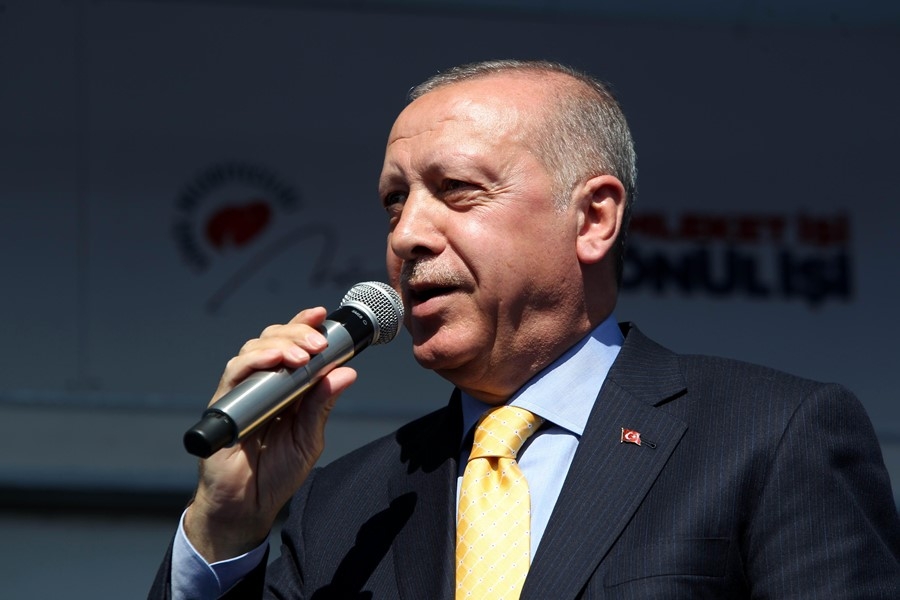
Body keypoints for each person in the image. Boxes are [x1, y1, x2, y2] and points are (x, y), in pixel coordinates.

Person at [150, 59, 900, 598]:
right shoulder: (344, 503)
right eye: (395, 202)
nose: (407, 234)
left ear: (594, 218)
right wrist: (226, 531)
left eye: (457, 190)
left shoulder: (770, 436)